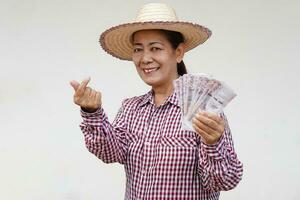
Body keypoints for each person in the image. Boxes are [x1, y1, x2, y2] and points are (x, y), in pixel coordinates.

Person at [70, 3, 243, 200]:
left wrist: (213, 143)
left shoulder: (203, 110)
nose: (145, 58)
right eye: (138, 49)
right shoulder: (131, 109)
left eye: (155, 48)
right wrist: (92, 111)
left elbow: (223, 181)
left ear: (178, 52)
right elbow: (110, 153)